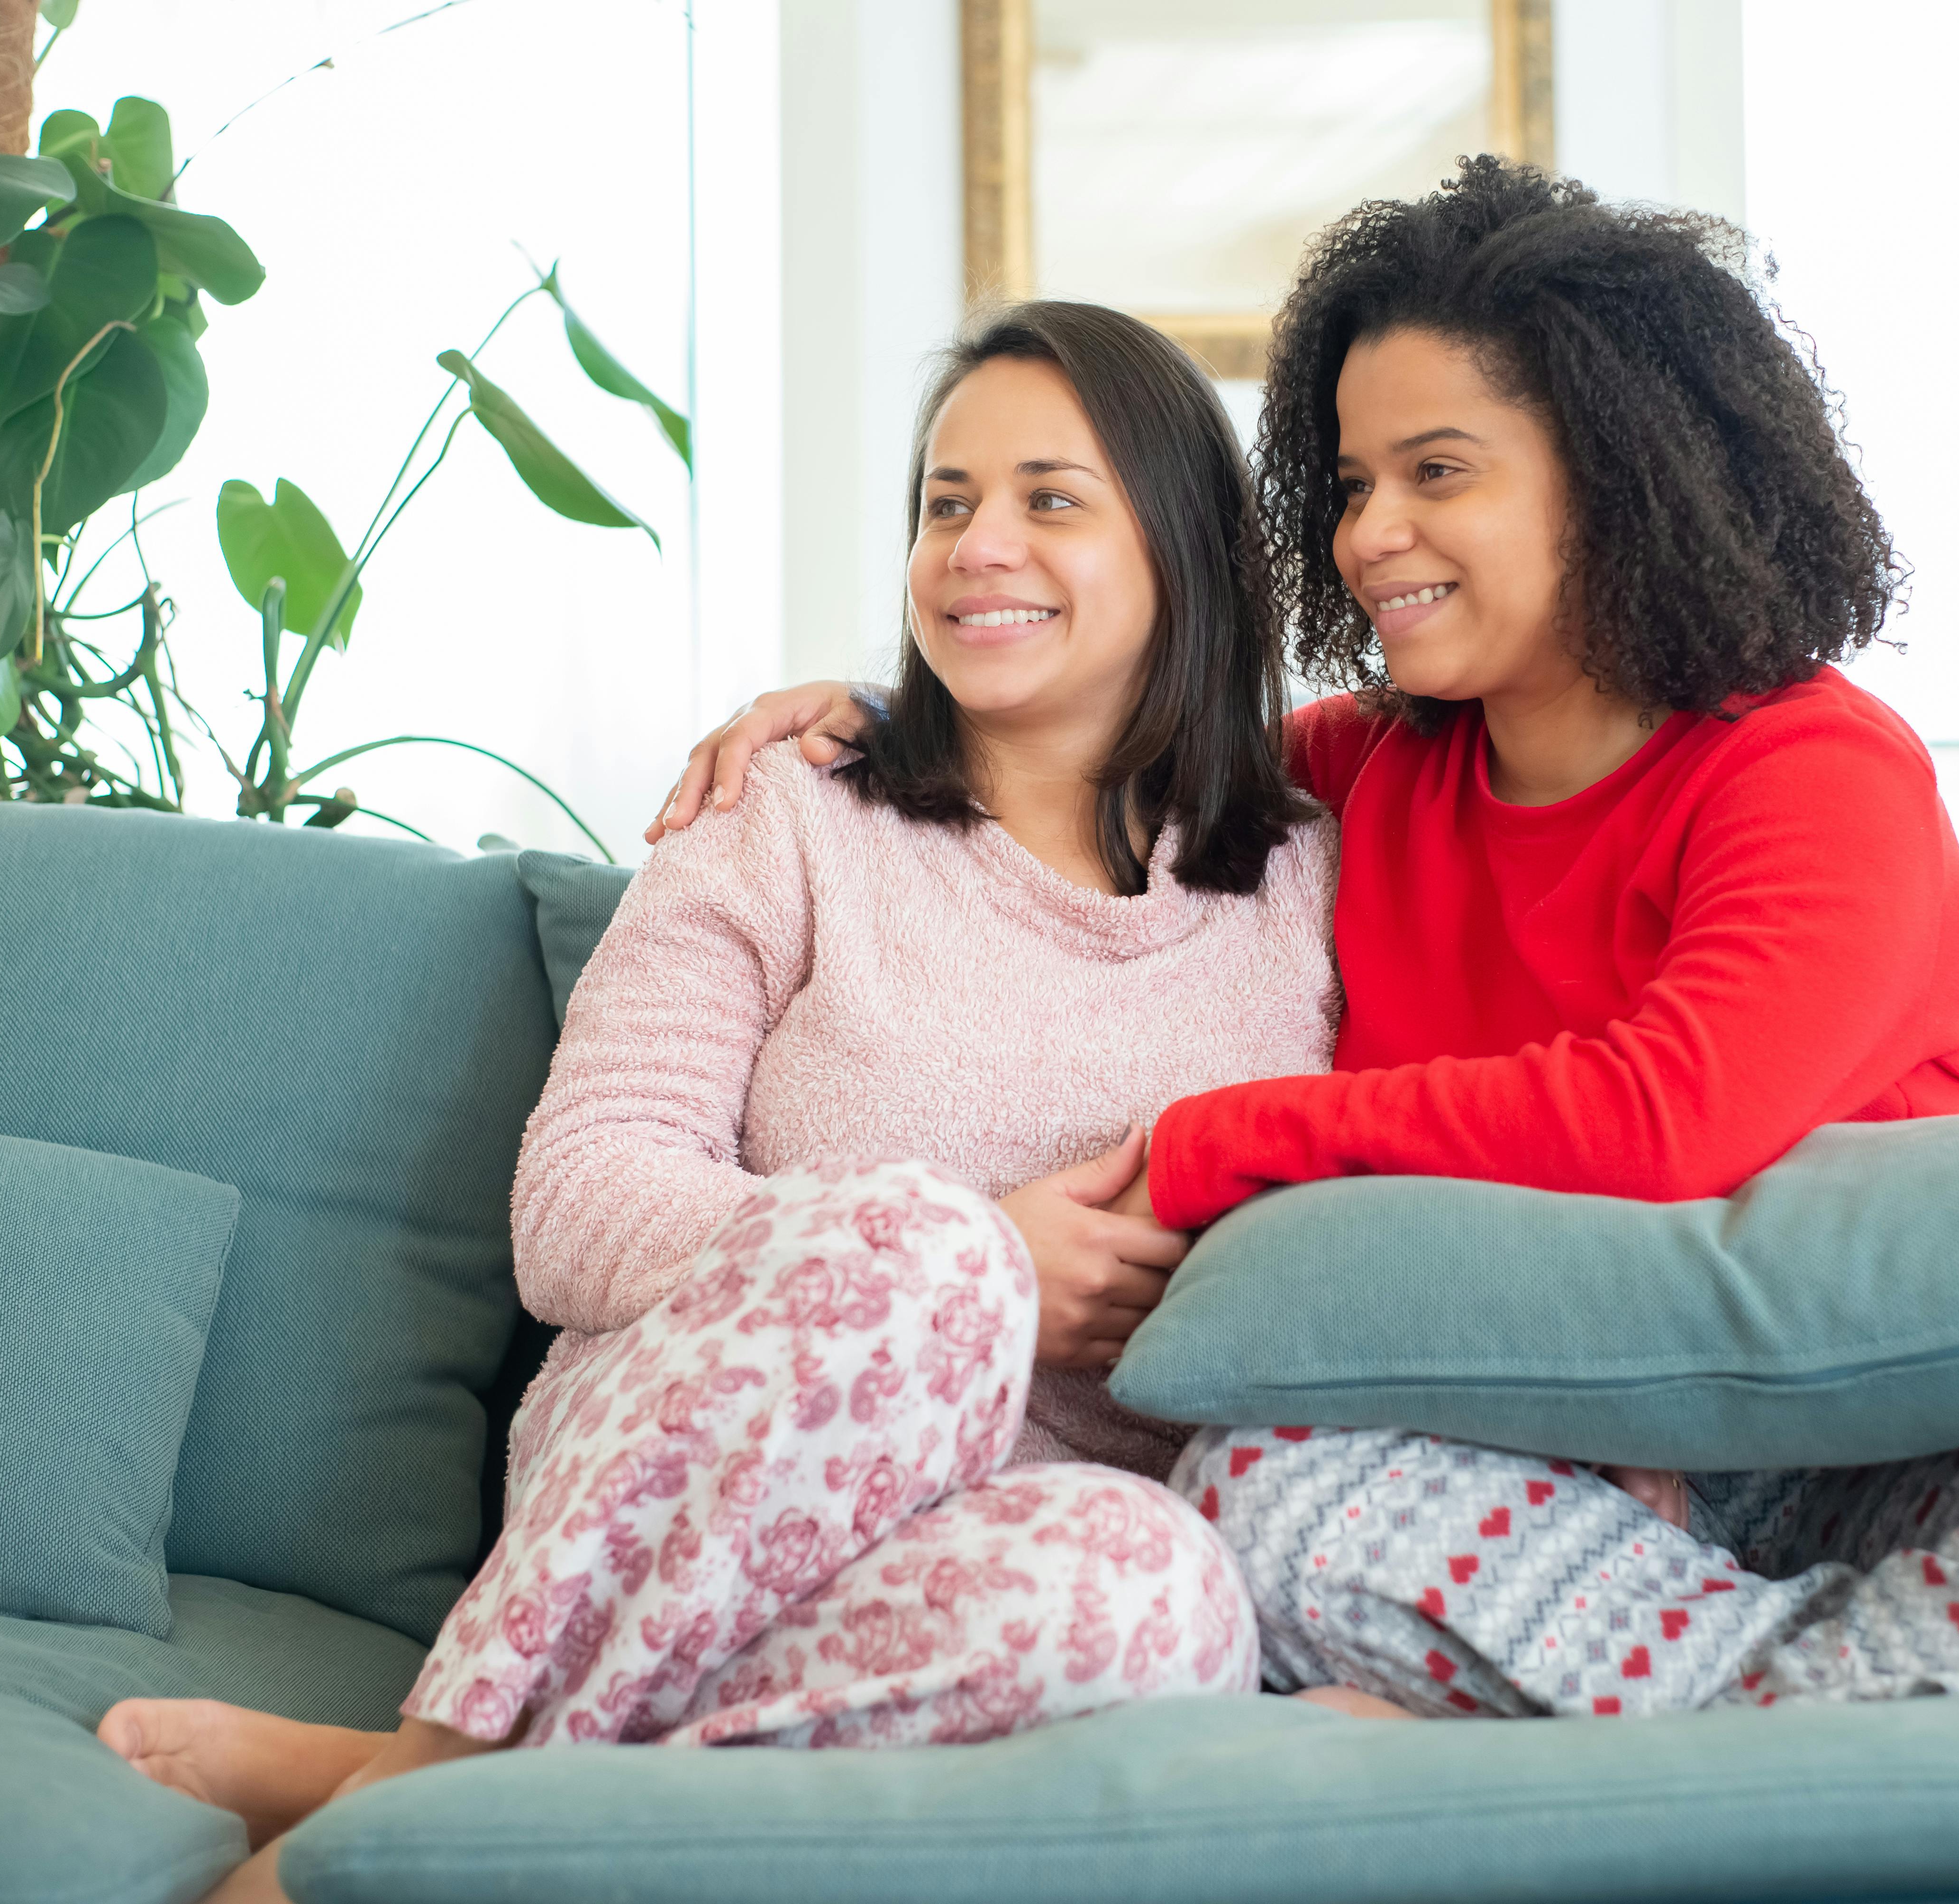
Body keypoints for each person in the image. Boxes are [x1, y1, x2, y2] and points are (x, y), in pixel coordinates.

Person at [659, 159, 1959, 1723]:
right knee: (1260, 1502)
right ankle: (1920, 1704)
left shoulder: (1817, 767)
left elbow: (1668, 1120)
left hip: (1882, 1443)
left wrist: (1225, 1145)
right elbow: (1102, 764)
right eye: (1352, 483)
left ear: (1615, 472)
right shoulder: (1353, 782)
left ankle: (1658, 1713)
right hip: (1546, 1475)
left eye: (1437, 473)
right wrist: (868, 722)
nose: (1371, 538)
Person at [97, 301, 1336, 1898]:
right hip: (683, 1480)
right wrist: (968, 1269)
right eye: (945, 504)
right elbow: (577, 1203)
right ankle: (412, 1809)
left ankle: (434, 1795)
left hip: (1007, 1528)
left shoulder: (1312, 869)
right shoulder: (790, 812)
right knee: (938, 1257)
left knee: (1167, 1596)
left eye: (1049, 499)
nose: (976, 546)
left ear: (1187, 545)